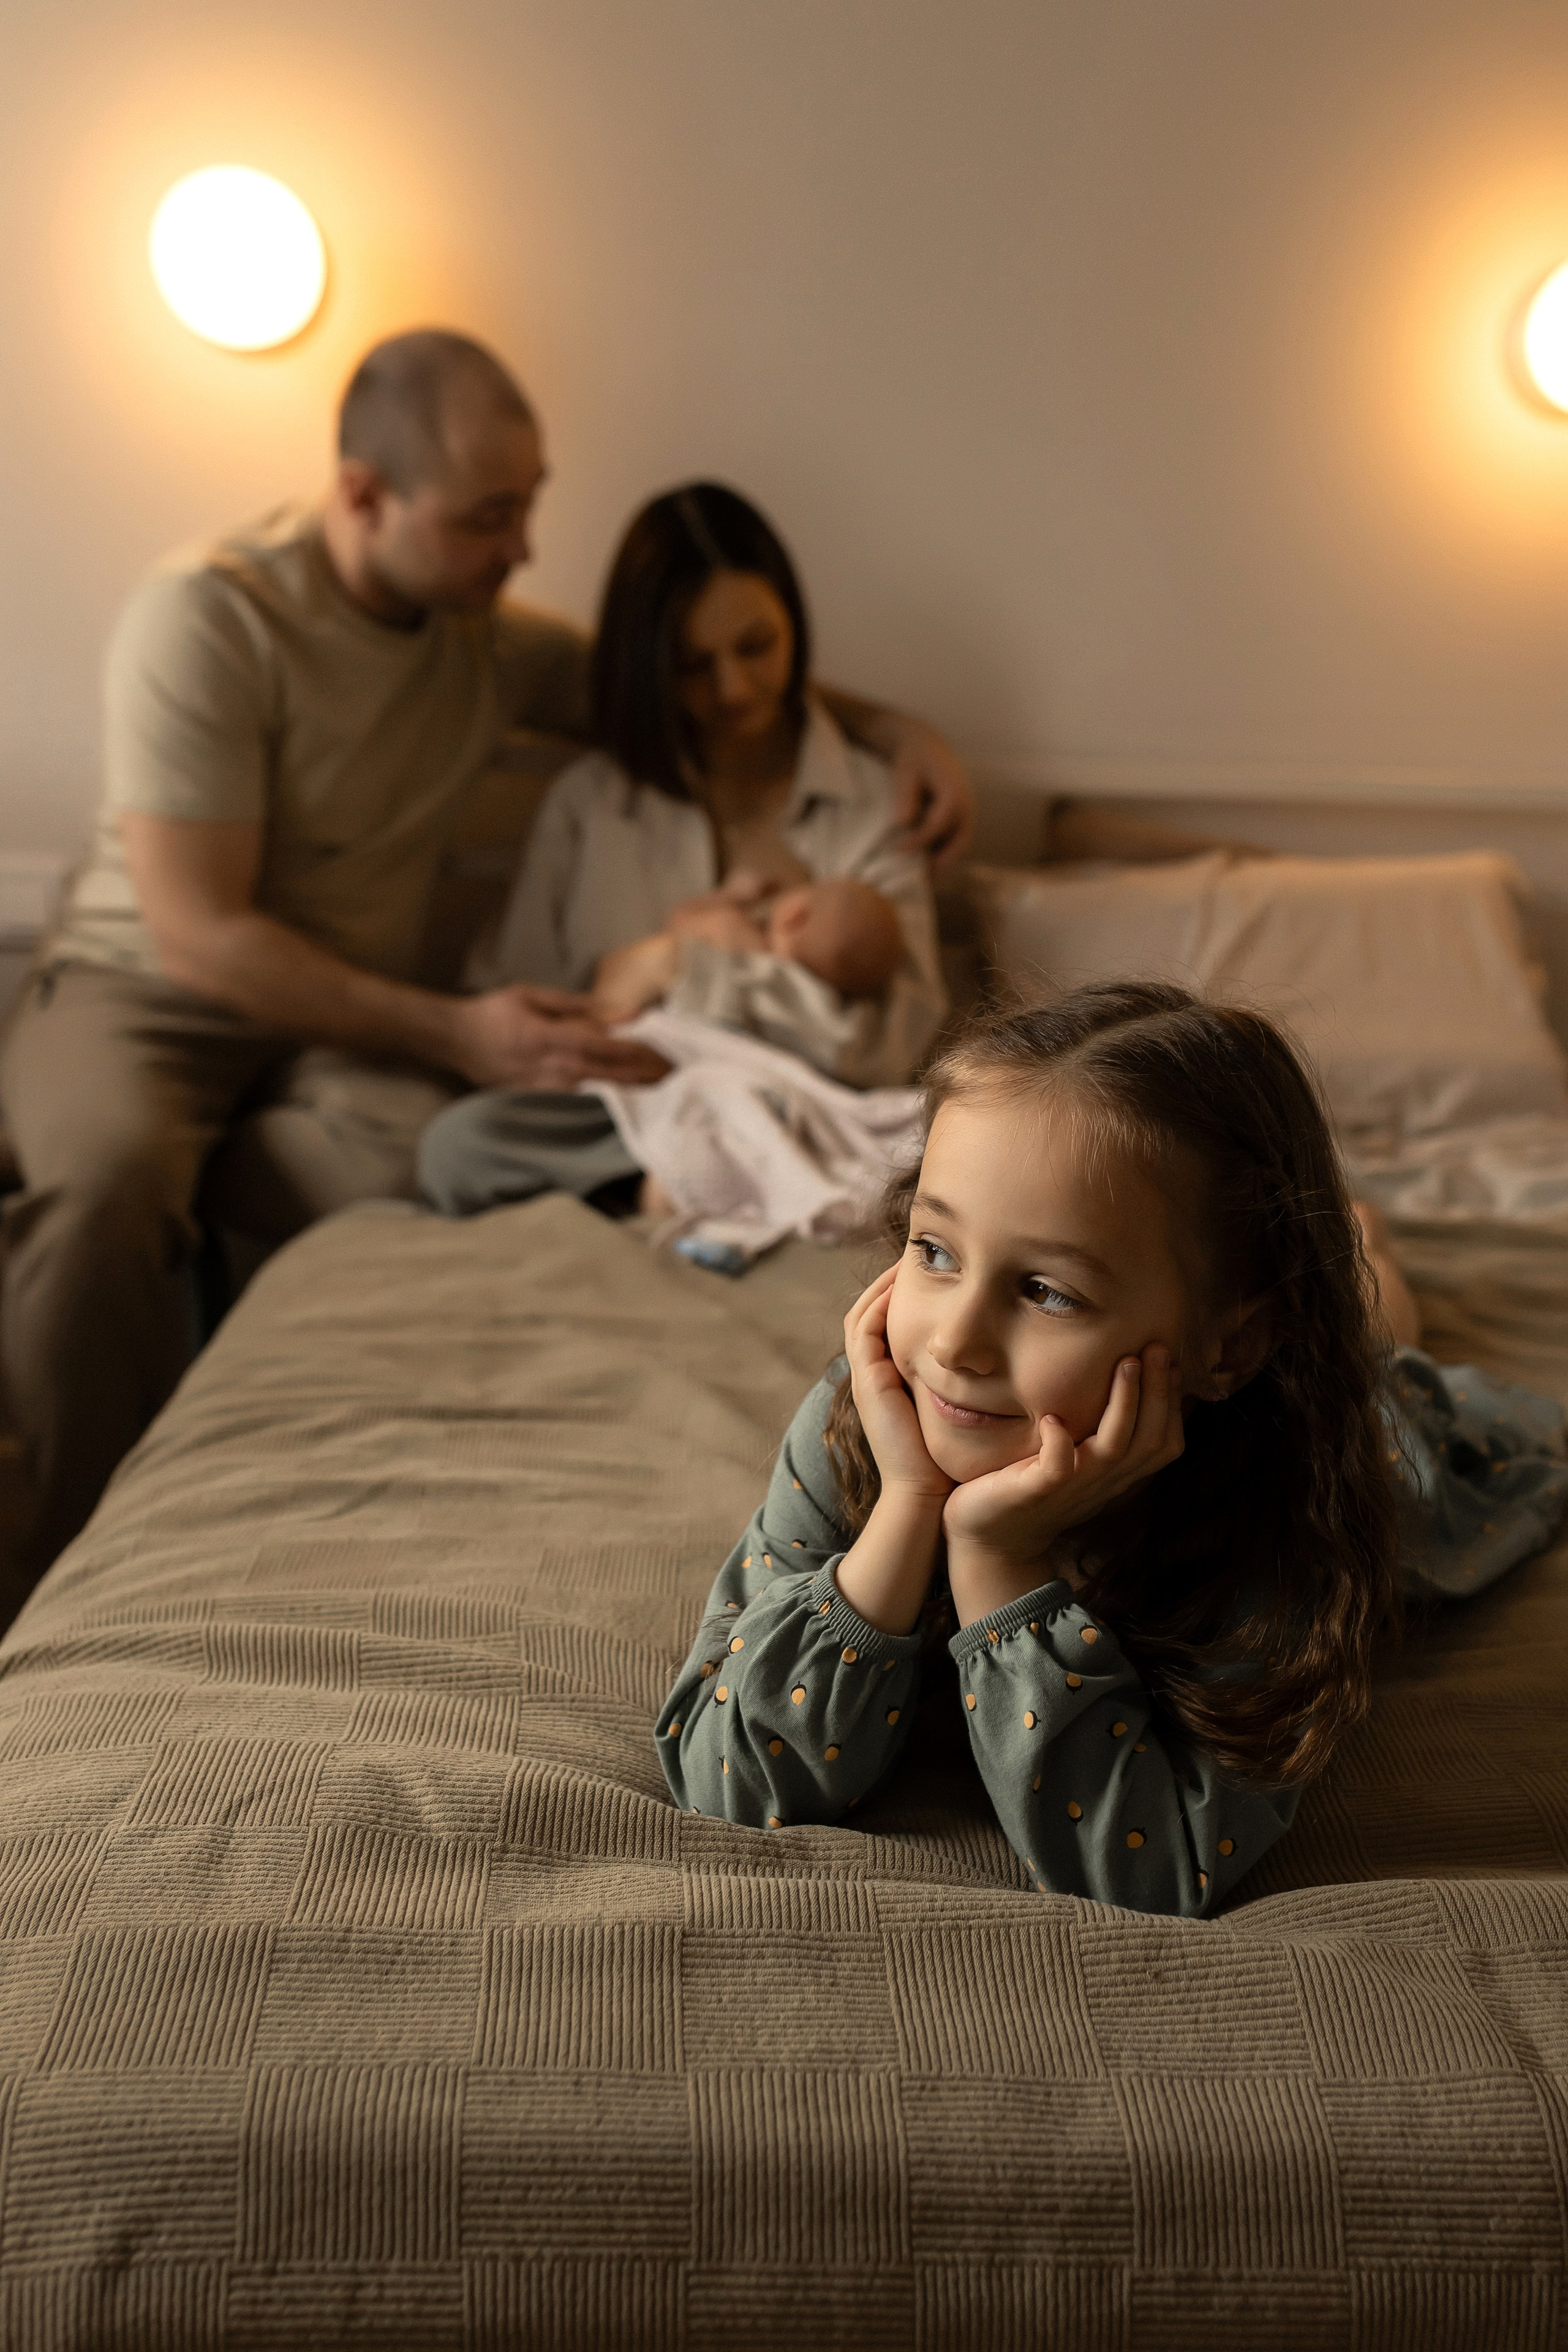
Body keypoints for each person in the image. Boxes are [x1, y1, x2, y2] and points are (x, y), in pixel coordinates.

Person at [0, 334, 974, 1575]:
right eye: (488, 517)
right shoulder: (207, 616)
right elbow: (200, 933)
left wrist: (899, 732)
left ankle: (253, 1448)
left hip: (342, 1025)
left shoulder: (482, 636)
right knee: (105, 1184)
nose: (521, 549)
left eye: (530, 505)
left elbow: (697, 681)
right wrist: (463, 1029)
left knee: (431, 1168)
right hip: (149, 987)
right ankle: (60, 1549)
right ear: (364, 495)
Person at [655, 982, 1568, 1917]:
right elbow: (725, 1782)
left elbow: (1154, 1865)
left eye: (1048, 1291)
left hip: (1363, 1430)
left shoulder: (1281, 1502)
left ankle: (1367, 1259)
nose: (953, 1345)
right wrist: (906, 1511)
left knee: (1382, 1362)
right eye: (936, 1251)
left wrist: (998, 1557)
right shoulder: (861, 1423)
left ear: (1228, 1350)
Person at [418, 481, 949, 1219]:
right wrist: (583, 1033)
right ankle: (677, 1188)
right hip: (621, 1118)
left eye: (756, 647)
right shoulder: (592, 802)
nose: (732, 688)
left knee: (927, 1150)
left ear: (794, 624)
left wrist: (680, 968)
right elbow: (510, 998)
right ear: (649, 666)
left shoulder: (869, 806)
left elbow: (895, 1047)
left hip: (799, 1117)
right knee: (458, 1148)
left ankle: (728, 1187)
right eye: (694, 665)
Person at [590, 873, 904, 1025]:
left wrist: (731, 895)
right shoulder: (802, 1008)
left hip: (619, 1007)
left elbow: (678, 920)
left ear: (795, 916)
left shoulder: (735, 930)